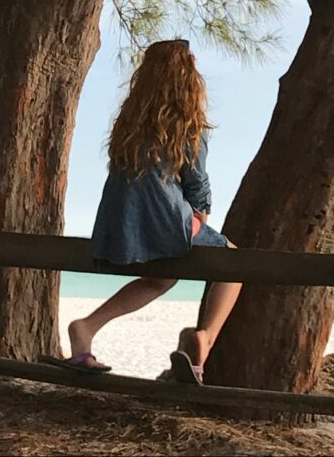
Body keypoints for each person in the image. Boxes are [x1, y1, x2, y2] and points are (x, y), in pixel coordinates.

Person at [44, 39, 241, 384]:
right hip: (164, 220)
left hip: (119, 224)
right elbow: (196, 182)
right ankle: (205, 339)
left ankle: (86, 327)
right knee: (234, 266)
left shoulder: (129, 126)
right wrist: (201, 216)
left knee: (160, 279)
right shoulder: (188, 125)